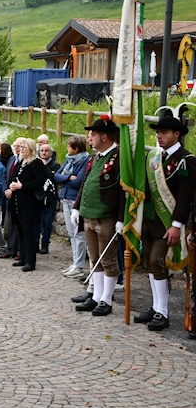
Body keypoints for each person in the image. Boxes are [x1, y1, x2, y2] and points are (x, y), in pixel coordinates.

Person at [136, 115, 196, 331]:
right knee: (150, 263)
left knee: (156, 261)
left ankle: (163, 312)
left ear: (176, 134)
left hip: (168, 221)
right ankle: (155, 306)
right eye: (158, 133)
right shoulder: (154, 157)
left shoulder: (186, 160)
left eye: (164, 133)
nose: (159, 136)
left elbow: (185, 196)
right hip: (151, 219)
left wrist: (177, 224)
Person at [70, 116, 124, 316]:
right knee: (95, 259)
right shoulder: (96, 157)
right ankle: (96, 297)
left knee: (108, 260)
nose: (89, 137)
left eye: (92, 134)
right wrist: (77, 207)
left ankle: (106, 300)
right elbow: (85, 184)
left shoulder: (118, 157)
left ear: (104, 136)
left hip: (106, 218)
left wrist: (120, 218)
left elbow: (123, 191)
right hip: (89, 216)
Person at [7, 138, 46, 272]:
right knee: (21, 231)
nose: (21, 150)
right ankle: (23, 257)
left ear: (30, 149)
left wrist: (22, 186)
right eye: (20, 147)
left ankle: (30, 261)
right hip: (18, 202)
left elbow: (39, 181)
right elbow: (14, 178)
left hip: (29, 203)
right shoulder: (20, 162)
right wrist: (11, 187)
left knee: (28, 232)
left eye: (23, 147)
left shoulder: (36, 163)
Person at [54, 136, 90, 279]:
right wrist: (69, 177)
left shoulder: (85, 160)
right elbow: (56, 176)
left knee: (78, 233)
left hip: (76, 200)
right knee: (71, 233)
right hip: (65, 197)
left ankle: (79, 265)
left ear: (76, 149)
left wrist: (65, 178)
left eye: (69, 147)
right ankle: (75, 263)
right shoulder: (69, 159)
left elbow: (79, 182)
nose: (67, 149)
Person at [38, 143, 61, 254]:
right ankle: (35, 243)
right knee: (37, 221)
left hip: (50, 197)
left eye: (46, 151)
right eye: (42, 150)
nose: (44, 153)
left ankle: (45, 244)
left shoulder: (55, 165)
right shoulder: (36, 163)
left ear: (51, 153)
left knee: (47, 222)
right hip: (38, 196)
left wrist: (44, 167)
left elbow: (52, 178)